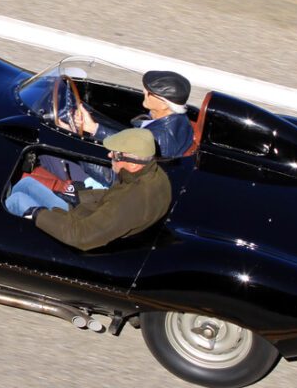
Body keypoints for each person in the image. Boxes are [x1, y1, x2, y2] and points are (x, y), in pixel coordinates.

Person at [18, 128, 173, 252]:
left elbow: (81, 236)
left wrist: (38, 214)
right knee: (27, 184)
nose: (109, 154)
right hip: (88, 211)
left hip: (77, 223)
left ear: (133, 164)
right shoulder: (154, 175)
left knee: (16, 200)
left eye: (116, 154)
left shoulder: (131, 202)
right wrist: (80, 196)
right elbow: (114, 196)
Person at [74, 70, 195, 159]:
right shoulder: (177, 117)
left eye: (149, 93)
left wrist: (92, 128)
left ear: (164, 104)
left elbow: (132, 141)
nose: (144, 91)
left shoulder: (161, 140)